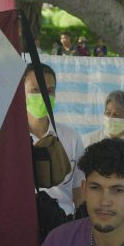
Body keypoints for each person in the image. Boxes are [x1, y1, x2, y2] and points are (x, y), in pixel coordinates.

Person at [72, 91, 124, 222]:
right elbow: (78, 178)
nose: (110, 118)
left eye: (116, 115)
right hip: (93, 211)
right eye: (107, 113)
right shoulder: (88, 141)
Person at [24, 63, 85, 227]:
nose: (43, 95)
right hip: (22, 224)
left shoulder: (71, 138)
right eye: (35, 90)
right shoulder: (10, 139)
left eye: (49, 90)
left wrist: (81, 227)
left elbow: (79, 191)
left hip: (63, 224)